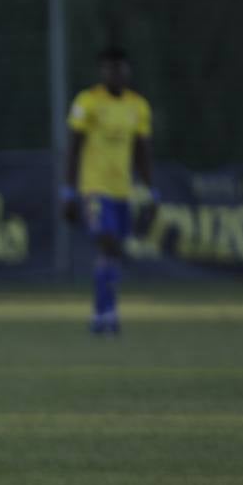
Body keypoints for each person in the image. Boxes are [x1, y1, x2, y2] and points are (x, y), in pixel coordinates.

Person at [61, 46, 157, 334]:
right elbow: (73, 147)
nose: (114, 73)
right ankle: (108, 313)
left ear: (127, 71)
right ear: (101, 72)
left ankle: (102, 314)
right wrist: (68, 191)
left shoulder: (138, 106)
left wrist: (152, 193)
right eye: (108, 68)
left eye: (119, 68)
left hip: (122, 191)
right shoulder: (87, 102)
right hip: (94, 189)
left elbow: (142, 152)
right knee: (108, 242)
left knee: (111, 254)